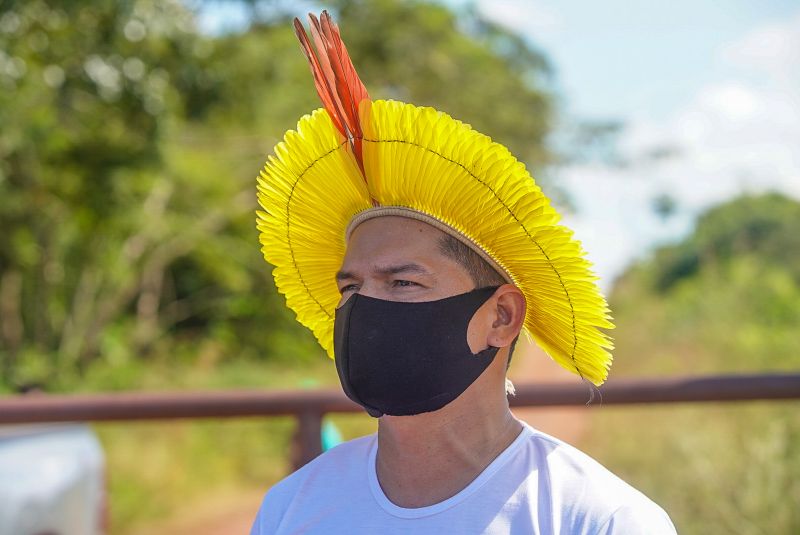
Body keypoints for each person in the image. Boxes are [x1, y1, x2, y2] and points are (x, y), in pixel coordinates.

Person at [250, 11, 677, 534]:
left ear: (501, 315)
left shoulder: (596, 518)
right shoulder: (291, 507)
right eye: (350, 286)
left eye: (403, 282)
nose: (362, 308)